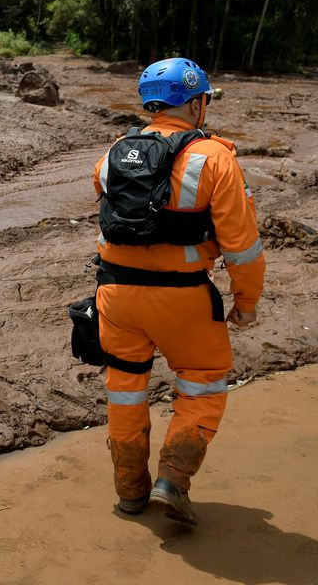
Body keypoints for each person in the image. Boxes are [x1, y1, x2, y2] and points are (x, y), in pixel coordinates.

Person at [91, 57, 265, 524]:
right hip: (183, 298)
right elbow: (242, 247)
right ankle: (173, 479)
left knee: (125, 390)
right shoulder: (216, 157)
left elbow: (108, 217)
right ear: (194, 102)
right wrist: (246, 303)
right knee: (204, 383)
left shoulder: (114, 152)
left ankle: (130, 492)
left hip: (116, 298)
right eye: (204, 99)